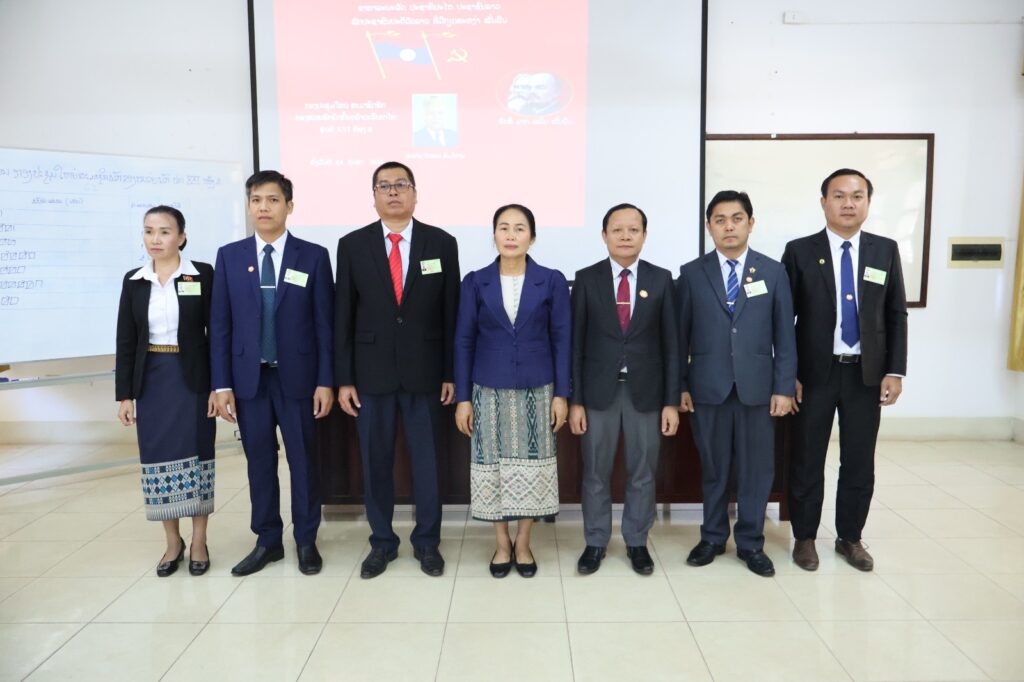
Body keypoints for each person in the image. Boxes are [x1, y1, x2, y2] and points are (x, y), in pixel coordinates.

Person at [335, 161, 460, 578]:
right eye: (384, 186)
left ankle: (427, 542)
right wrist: (344, 378)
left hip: (426, 373)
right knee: (375, 463)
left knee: (427, 464)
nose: (393, 192)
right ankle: (382, 543)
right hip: (370, 375)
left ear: (415, 194)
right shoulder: (352, 245)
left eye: (401, 184)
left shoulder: (441, 243)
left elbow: (451, 313)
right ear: (373, 196)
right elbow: (343, 315)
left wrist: (450, 372)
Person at [782, 168, 908, 572]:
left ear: (868, 202)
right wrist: (788, 373)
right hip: (813, 375)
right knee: (807, 459)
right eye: (839, 196)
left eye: (857, 196)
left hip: (865, 375)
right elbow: (784, 319)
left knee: (858, 460)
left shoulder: (884, 250)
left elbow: (896, 313)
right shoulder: (799, 251)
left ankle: (850, 537)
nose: (848, 204)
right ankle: (804, 537)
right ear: (824, 203)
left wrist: (895, 370)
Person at [210, 170, 334, 577]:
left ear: (289, 206)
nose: (264, 207)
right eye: (256, 200)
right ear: (248, 207)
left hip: (298, 379)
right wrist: (222, 384)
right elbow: (220, 325)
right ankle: (268, 540)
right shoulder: (230, 256)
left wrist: (325, 380)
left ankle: (306, 540)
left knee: (304, 462)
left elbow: (325, 325)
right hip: (250, 381)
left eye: (273, 200)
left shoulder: (313, 256)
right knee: (259, 463)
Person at [677, 191, 797, 577]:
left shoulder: (773, 272)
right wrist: (680, 385)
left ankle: (750, 542)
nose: (729, 226)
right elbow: (680, 337)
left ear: (750, 223)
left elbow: (785, 335)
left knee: (756, 470)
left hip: (758, 390)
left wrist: (783, 387)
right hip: (707, 388)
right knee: (714, 468)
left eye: (737, 218)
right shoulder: (692, 273)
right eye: (720, 220)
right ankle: (713, 537)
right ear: (709, 226)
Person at [453, 204, 571, 578]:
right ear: (494, 235)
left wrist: (562, 394)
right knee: (492, 468)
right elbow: (463, 340)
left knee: (534, 467)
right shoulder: (475, 282)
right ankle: (501, 543)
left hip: (539, 389)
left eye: (519, 228)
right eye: (503, 227)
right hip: (488, 390)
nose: (511, 235)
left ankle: (523, 542)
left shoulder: (551, 280)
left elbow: (562, 339)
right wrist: (463, 398)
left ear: (531, 237)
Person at [569, 203, 680, 575]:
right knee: (595, 471)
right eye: (617, 230)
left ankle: (636, 541)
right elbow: (575, 345)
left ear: (645, 236)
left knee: (643, 470)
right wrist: (576, 400)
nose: (625, 236)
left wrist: (671, 402)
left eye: (634, 230)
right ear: (604, 235)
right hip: (597, 393)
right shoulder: (586, 279)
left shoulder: (661, 279)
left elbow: (672, 345)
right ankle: (595, 542)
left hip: (646, 394)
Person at [115, 205, 216, 577]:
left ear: (182, 237)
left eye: (164, 231)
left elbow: (217, 333)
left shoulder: (201, 274)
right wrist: (124, 395)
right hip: (152, 382)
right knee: (157, 461)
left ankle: (200, 540)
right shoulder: (134, 280)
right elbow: (126, 340)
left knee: (198, 458)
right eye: (148, 231)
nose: (155, 239)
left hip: (193, 380)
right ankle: (173, 542)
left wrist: (218, 386)